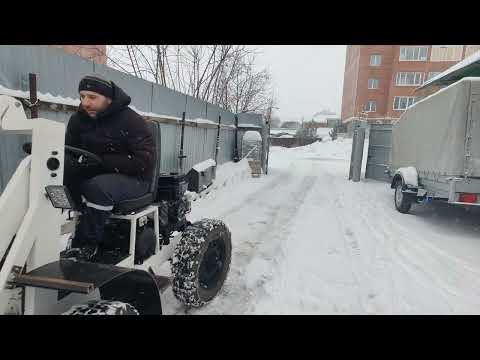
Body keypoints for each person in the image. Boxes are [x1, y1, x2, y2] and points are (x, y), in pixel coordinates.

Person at [62, 74, 155, 260]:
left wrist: (102, 162)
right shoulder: (78, 121)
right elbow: (69, 151)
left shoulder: (131, 121)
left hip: (135, 179)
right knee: (55, 179)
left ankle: (87, 244)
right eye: (82, 96)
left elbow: (144, 160)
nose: (85, 103)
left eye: (92, 97)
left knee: (97, 187)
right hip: (93, 175)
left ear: (109, 99)